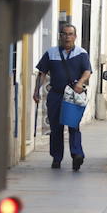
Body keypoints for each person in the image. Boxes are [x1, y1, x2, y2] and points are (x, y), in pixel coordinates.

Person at [34, 23, 92, 171]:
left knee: (73, 126)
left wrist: (80, 83)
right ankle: (56, 158)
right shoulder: (51, 53)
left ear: (75, 36)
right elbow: (42, 73)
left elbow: (87, 71)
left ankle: (77, 155)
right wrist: (36, 91)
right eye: (65, 34)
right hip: (56, 95)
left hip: (73, 96)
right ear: (60, 36)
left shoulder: (81, 53)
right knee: (56, 128)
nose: (67, 37)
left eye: (70, 34)